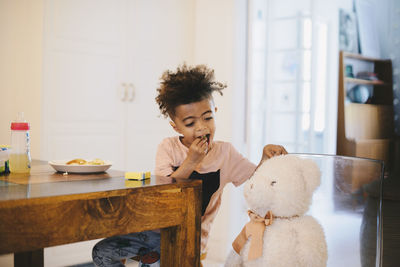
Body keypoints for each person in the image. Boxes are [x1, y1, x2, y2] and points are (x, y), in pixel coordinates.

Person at [92, 64, 287, 266]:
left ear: (215, 113)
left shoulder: (226, 153)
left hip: (188, 238)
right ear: (176, 126)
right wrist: (191, 161)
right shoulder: (168, 148)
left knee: (152, 264)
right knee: (101, 252)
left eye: (208, 118)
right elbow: (162, 190)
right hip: (150, 232)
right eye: (190, 123)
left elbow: (257, 180)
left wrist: (265, 158)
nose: (201, 127)